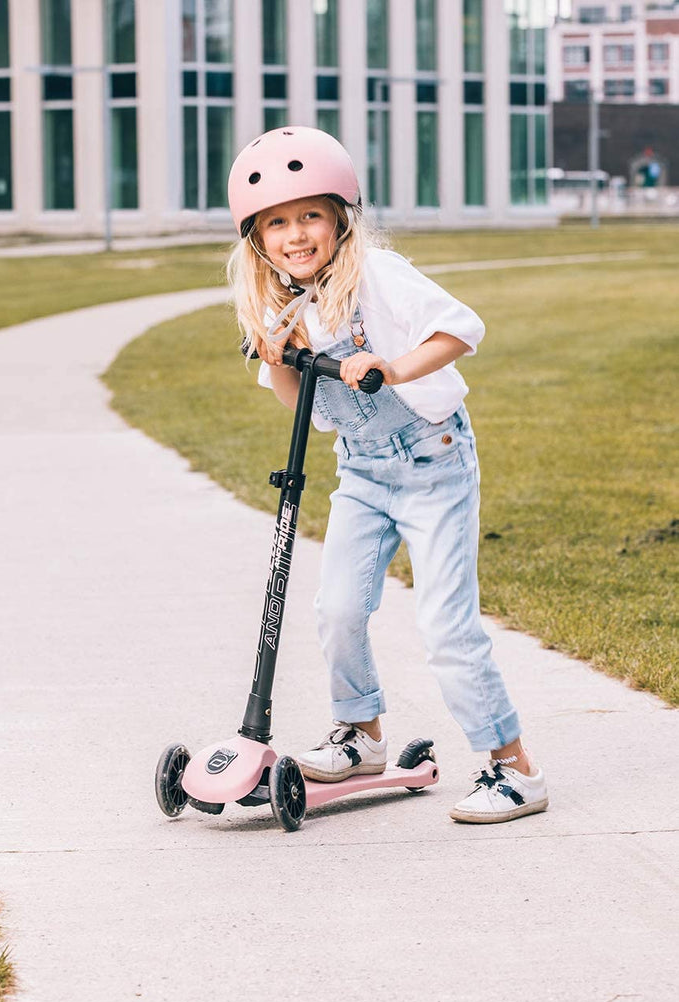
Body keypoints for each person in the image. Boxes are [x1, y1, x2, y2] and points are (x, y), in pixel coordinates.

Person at [227, 125, 548, 824]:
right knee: (336, 609)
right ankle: (361, 736)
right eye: (276, 223)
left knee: (445, 627)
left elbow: (462, 328)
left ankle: (514, 769)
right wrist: (279, 355)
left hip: (432, 462)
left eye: (310, 214)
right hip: (362, 474)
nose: (295, 234)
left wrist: (391, 367)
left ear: (341, 218)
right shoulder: (285, 306)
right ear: (256, 240)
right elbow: (298, 405)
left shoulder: (379, 277)